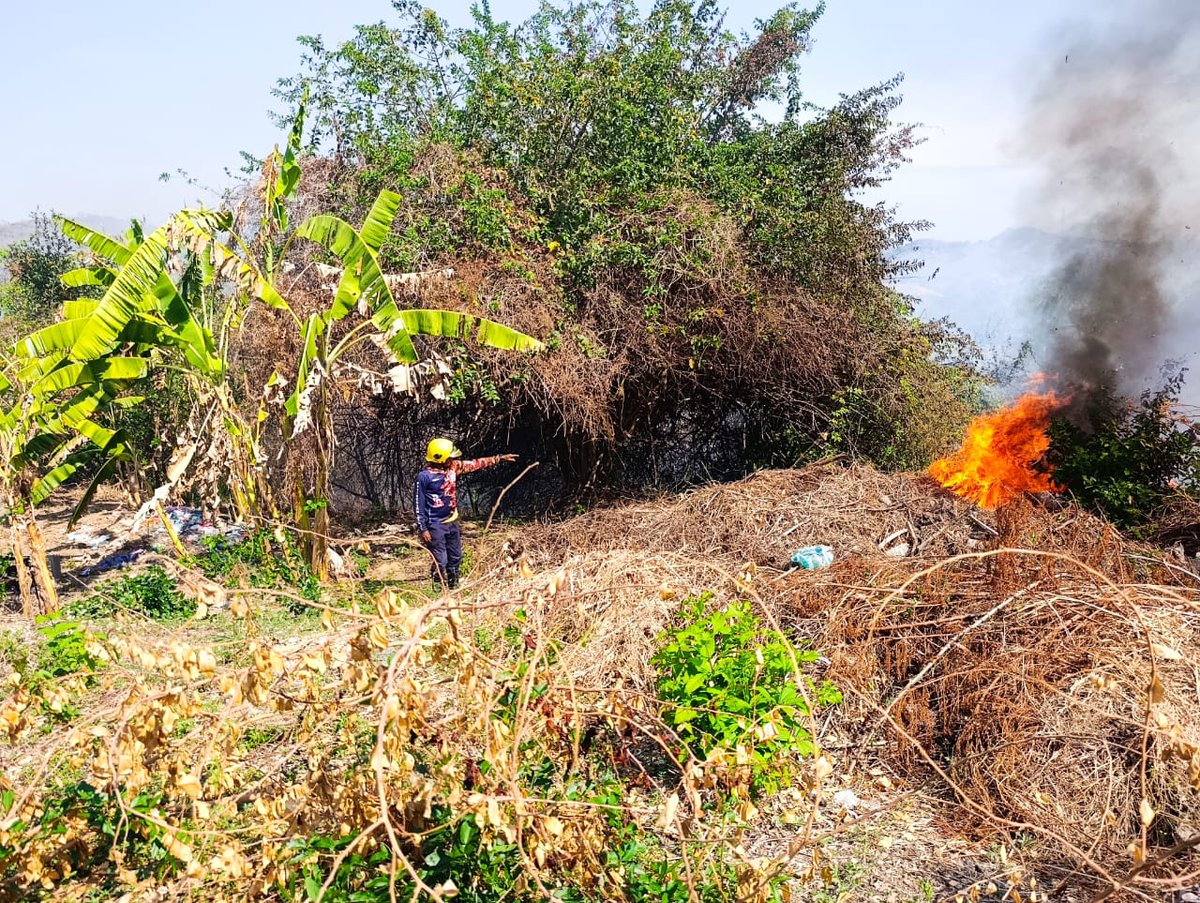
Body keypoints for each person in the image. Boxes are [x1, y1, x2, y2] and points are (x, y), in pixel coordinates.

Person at [414, 438, 516, 590]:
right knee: (440, 559)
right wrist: (423, 528)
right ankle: (437, 588)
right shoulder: (424, 477)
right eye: (450, 457)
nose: (454, 460)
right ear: (440, 458)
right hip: (435, 524)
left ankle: (453, 587)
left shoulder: (453, 468)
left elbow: (475, 464)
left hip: (452, 521)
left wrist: (498, 458)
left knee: (456, 556)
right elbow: (418, 503)